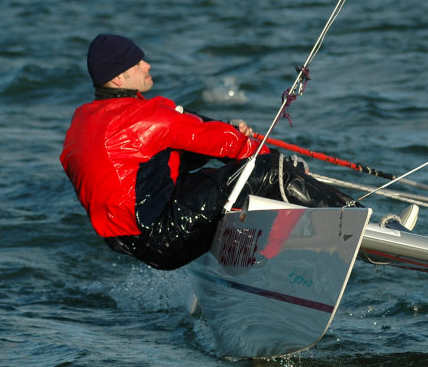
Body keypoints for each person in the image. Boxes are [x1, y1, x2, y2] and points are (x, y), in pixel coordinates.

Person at [61, 34, 354, 270]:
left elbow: (154, 165)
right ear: (119, 79)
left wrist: (224, 132)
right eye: (138, 63)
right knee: (266, 170)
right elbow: (231, 146)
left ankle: (254, 257)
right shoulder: (144, 117)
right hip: (163, 237)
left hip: (131, 242)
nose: (147, 66)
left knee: (226, 177)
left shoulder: (82, 123)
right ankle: (353, 222)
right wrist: (278, 164)